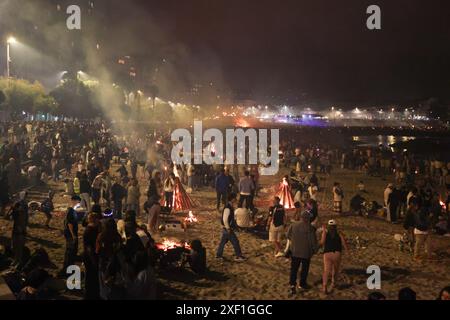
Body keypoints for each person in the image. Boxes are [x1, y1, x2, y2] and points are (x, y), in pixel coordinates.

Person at [286, 211, 318, 294]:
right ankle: (302, 283)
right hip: (306, 252)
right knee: (304, 269)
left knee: (294, 269)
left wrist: (295, 240)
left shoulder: (293, 225)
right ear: (308, 219)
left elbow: (288, 235)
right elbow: (312, 241)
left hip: (295, 251)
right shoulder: (309, 228)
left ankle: (292, 284)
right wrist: (315, 249)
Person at [216, 193, 246, 262]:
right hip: (227, 229)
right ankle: (238, 256)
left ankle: (218, 255)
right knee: (235, 242)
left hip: (225, 229)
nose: (236, 199)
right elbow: (225, 219)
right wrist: (228, 228)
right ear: (232, 199)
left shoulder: (229, 206)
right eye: (235, 198)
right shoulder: (227, 208)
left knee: (222, 242)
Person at [320, 220, 348, 294]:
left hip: (327, 253)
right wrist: (347, 251)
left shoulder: (326, 233)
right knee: (335, 270)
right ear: (335, 226)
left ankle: (324, 286)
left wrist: (323, 231)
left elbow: (322, 242)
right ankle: (333, 283)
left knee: (326, 271)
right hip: (337, 253)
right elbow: (344, 243)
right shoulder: (339, 233)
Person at [60, 195, 80, 276]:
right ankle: (67, 269)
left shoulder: (72, 210)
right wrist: (73, 235)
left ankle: (69, 267)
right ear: (73, 200)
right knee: (70, 251)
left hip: (70, 233)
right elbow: (69, 223)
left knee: (71, 251)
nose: (78, 203)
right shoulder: (71, 211)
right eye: (78, 201)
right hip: (70, 234)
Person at [83, 213, 100, 300]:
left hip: (91, 256)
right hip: (90, 257)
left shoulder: (92, 229)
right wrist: (93, 260)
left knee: (92, 277)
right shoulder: (90, 230)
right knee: (90, 277)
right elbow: (89, 247)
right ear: (95, 220)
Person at [10, 191, 29, 268]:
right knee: (15, 244)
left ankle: (18, 260)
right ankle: (16, 259)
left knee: (19, 245)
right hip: (17, 226)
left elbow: (23, 216)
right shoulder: (18, 204)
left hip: (21, 226)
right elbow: (11, 216)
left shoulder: (23, 205)